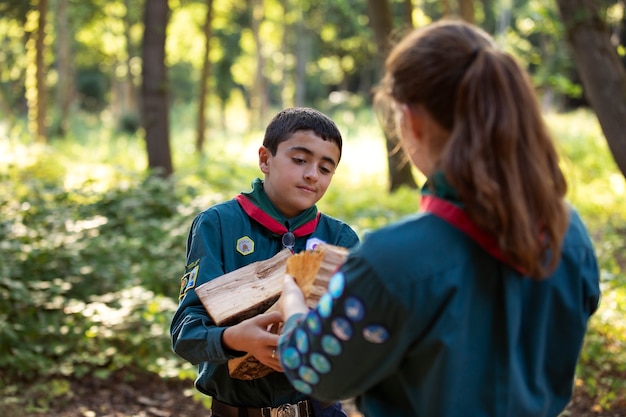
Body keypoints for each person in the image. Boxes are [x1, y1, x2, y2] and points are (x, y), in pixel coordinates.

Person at [278, 20, 601, 417]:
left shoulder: (392, 259)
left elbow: (316, 373)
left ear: (412, 121)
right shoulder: (568, 231)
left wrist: (293, 302)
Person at [170, 107, 359, 417]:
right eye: (299, 160)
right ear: (265, 159)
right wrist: (234, 339)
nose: (312, 174)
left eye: (325, 169)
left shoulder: (339, 239)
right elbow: (185, 333)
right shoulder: (218, 225)